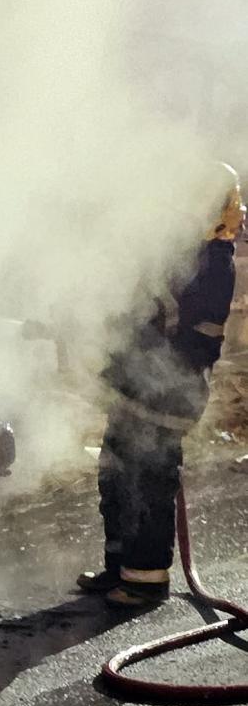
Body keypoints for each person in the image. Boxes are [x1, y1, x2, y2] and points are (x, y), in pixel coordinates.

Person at [79, 170, 242, 609]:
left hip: (168, 393)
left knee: (148, 482)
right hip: (136, 386)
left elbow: (198, 341)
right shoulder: (175, 248)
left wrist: (161, 376)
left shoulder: (213, 262)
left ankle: (146, 580)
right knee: (115, 474)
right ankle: (118, 565)